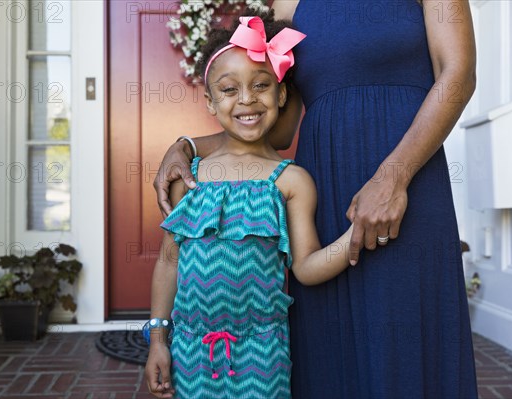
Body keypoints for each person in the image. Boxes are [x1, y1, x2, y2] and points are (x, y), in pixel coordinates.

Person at [154, 0, 479, 398]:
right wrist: (188, 146)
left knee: (407, 338)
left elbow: (458, 76)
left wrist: (394, 177)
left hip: (409, 180)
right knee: (331, 352)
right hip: (324, 190)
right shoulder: (289, 2)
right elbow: (275, 128)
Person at [144, 13, 355, 399]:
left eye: (261, 85)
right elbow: (169, 261)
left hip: (264, 351)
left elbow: (306, 267)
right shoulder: (189, 179)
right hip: (191, 349)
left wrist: (357, 235)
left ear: (281, 94)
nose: (246, 99)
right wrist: (159, 338)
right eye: (228, 89)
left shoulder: (291, 182)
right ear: (209, 101)